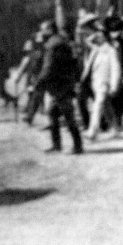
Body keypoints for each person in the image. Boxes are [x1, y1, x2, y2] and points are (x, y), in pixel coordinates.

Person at [34, 20, 83, 154]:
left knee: (68, 115)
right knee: (53, 113)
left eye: (43, 29)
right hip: (65, 83)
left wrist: (39, 82)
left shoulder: (52, 45)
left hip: (59, 86)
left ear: (50, 30)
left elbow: (48, 67)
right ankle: (57, 145)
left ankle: (77, 146)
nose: (41, 32)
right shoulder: (62, 42)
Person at [81, 25, 122, 142]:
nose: (97, 38)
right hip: (95, 82)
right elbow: (87, 41)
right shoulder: (96, 49)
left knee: (98, 105)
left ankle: (92, 131)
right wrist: (94, 35)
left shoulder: (111, 50)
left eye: (99, 36)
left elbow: (115, 68)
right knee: (106, 106)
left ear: (105, 37)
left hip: (105, 82)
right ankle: (114, 128)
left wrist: (114, 85)